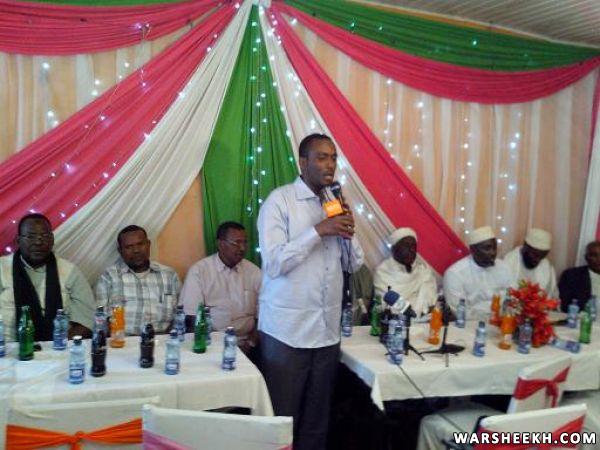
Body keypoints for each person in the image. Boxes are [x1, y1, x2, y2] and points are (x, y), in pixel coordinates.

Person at [258, 133, 364, 450]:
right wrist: (318, 231)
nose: (330, 164)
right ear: (302, 162)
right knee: (282, 418)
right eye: (321, 157)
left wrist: (346, 229)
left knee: (317, 421)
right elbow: (274, 263)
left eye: (333, 158)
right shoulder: (280, 201)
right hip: (287, 332)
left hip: (327, 331)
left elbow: (354, 263)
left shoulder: (334, 203)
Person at [0, 213, 95, 342]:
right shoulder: (2, 268)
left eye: (44, 236)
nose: (38, 242)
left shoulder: (70, 271)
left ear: (52, 240)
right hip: (9, 348)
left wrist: (56, 347)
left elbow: (87, 320)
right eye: (31, 236)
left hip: (59, 347)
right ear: (18, 240)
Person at [180, 221, 261, 355]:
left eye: (245, 242)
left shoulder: (254, 272)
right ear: (221, 244)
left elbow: (264, 316)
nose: (242, 248)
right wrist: (210, 348)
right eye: (236, 243)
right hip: (212, 345)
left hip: (247, 344)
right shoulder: (200, 271)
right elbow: (193, 317)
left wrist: (251, 343)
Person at [95, 225, 180, 335]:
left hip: (162, 340)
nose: (136, 250)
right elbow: (101, 320)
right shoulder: (109, 277)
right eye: (129, 247)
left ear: (148, 245)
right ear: (120, 251)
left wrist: (168, 339)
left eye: (140, 244)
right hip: (123, 342)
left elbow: (180, 314)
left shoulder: (169, 275)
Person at [443, 225, 515, 319]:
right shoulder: (455, 274)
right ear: (472, 250)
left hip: (503, 320)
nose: (493, 253)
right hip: (471, 324)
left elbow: (512, 297)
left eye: (495, 247)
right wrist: (490, 318)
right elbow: (460, 311)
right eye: (487, 248)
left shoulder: (504, 267)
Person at [374, 227, 437, 316]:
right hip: (395, 322)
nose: (411, 250)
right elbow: (385, 305)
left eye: (413, 246)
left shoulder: (423, 270)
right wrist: (413, 308)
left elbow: (431, 302)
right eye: (406, 246)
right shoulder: (383, 272)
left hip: (425, 321)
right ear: (394, 249)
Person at [504, 228, 558, 297]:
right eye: (535, 255)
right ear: (525, 247)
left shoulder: (547, 268)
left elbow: (553, 295)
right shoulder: (508, 263)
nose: (538, 260)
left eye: (543, 256)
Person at [558, 240, 600, 312]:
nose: (599, 259)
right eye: (594, 255)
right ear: (586, 257)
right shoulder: (572, 275)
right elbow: (565, 305)